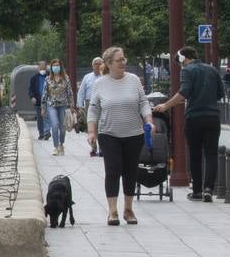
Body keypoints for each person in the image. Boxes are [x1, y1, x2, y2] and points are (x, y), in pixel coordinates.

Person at [86, 46, 153, 226]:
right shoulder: (100, 83)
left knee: (131, 171)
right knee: (113, 169)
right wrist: (92, 131)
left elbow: (143, 102)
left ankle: (128, 209)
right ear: (108, 64)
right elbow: (93, 109)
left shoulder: (133, 80)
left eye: (124, 59)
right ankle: (112, 210)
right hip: (109, 134)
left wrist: (149, 120)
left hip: (134, 133)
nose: (123, 62)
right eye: (118, 60)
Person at [155, 46, 225, 202]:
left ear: (182, 58)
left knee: (195, 155)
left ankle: (197, 191)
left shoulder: (187, 71)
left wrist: (166, 105)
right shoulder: (212, 70)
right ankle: (208, 189)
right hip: (213, 117)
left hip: (194, 117)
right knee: (211, 154)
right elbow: (221, 93)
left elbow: (184, 92)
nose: (180, 66)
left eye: (180, 62)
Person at [44, 60, 73, 155]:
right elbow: (44, 94)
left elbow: (70, 93)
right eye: (54, 65)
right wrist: (43, 107)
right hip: (51, 105)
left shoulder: (66, 79)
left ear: (61, 67)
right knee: (55, 125)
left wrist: (71, 106)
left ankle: (61, 144)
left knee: (63, 127)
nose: (56, 67)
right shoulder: (48, 79)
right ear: (51, 67)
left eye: (57, 65)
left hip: (63, 105)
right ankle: (55, 147)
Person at [77, 57, 105, 156]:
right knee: (92, 125)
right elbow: (81, 92)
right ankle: (93, 148)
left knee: (102, 125)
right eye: (96, 64)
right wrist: (80, 106)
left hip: (103, 102)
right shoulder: (87, 77)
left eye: (100, 63)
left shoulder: (106, 77)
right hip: (90, 103)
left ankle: (102, 148)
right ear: (92, 66)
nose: (98, 65)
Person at [28, 60, 49, 139]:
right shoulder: (34, 78)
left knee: (47, 116)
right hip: (38, 100)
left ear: (46, 67)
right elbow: (30, 89)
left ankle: (47, 132)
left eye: (44, 66)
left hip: (48, 100)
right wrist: (32, 97)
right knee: (40, 117)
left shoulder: (49, 77)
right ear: (38, 67)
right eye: (41, 66)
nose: (42, 67)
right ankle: (41, 133)